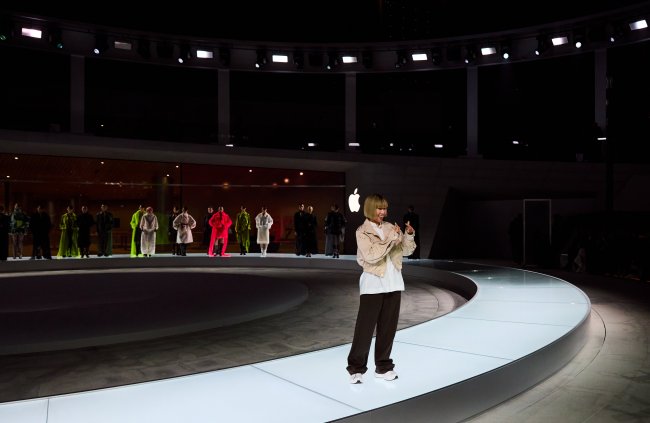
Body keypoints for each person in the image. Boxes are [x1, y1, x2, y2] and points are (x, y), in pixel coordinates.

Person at [347, 193, 416, 384]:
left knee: (388, 329)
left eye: (385, 208)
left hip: (394, 283)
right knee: (364, 330)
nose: (383, 212)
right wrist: (391, 240)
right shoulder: (362, 231)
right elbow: (371, 256)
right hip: (372, 284)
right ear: (370, 209)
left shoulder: (391, 227)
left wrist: (408, 235)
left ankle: (383, 366)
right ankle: (356, 368)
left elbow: (406, 251)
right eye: (379, 208)